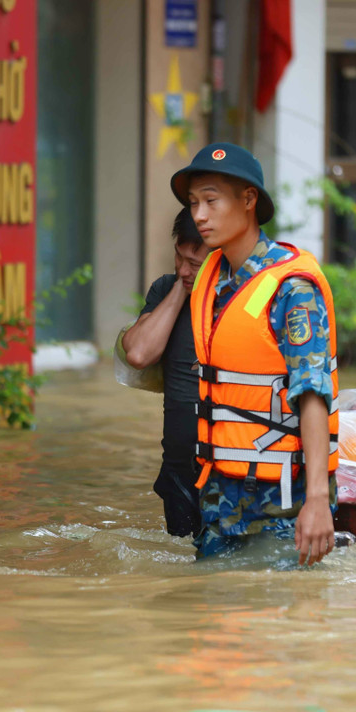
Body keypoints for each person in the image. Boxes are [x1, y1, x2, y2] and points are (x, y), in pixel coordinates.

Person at [172, 142, 339, 564]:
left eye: (211, 200)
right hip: (220, 495)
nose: (199, 215)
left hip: (283, 499)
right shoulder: (211, 274)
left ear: (248, 201)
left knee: (277, 624)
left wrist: (317, 501)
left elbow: (313, 394)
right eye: (194, 203)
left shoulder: (293, 288)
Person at [120, 209, 208, 537]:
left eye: (195, 264)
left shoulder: (243, 300)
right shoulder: (166, 289)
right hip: (179, 471)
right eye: (179, 257)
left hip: (232, 471)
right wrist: (183, 288)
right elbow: (140, 353)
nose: (184, 268)